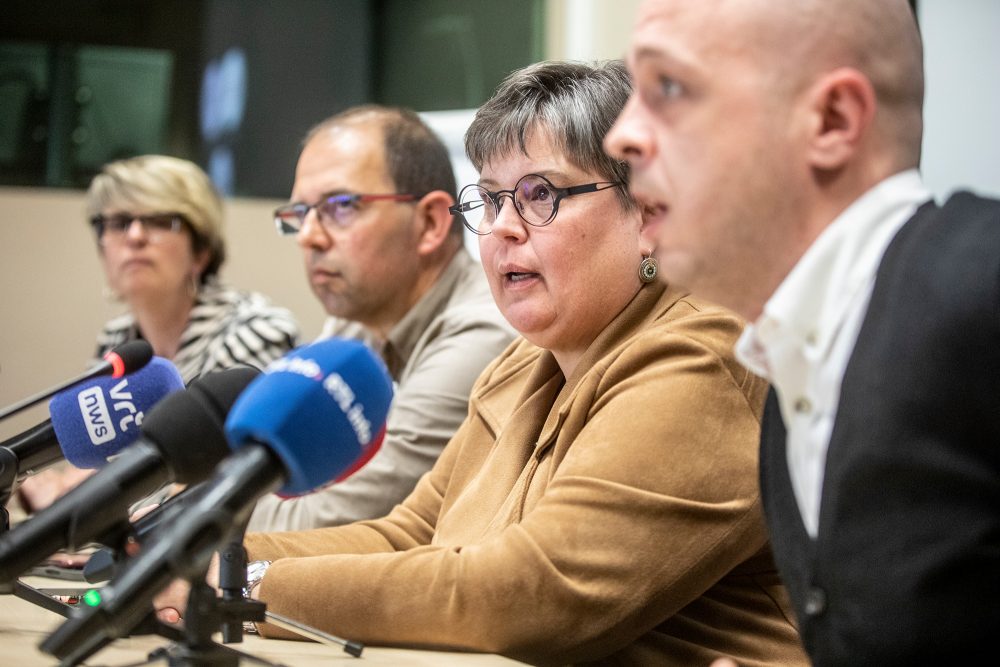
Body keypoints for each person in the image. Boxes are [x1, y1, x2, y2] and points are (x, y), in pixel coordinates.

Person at [158, 61, 807, 666]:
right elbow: (408, 535)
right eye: (492, 200)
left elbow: (530, 592)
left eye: (540, 195)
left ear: (648, 214)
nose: (501, 228)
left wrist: (236, 581)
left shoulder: (702, 356)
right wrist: (182, 556)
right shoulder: (525, 364)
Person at [606, 1, 1000, 664]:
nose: (622, 137)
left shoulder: (981, 286)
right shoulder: (795, 376)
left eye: (668, 87)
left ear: (832, 121)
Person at [246, 106, 515, 531]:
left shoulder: (483, 330)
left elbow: (350, 520)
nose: (309, 237)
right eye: (300, 214)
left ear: (429, 222)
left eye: (339, 206)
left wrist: (185, 516)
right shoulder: (357, 323)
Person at [16, 155, 299, 513]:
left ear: (200, 252)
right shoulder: (118, 340)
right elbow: (109, 462)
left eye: (160, 221)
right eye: (118, 222)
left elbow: (220, 475)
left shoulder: (257, 331)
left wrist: (79, 495)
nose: (135, 236)